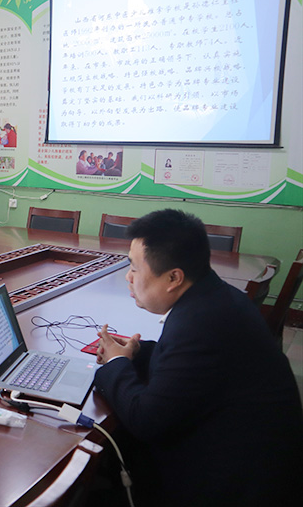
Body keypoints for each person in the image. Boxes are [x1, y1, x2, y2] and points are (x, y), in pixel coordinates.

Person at [94, 209, 303, 506]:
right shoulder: (216, 297)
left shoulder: (198, 325)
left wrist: (116, 364)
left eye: (135, 268)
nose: (128, 277)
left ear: (173, 278)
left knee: (107, 447)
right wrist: (138, 353)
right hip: (249, 453)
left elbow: (146, 420)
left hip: (235, 484)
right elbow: (187, 364)